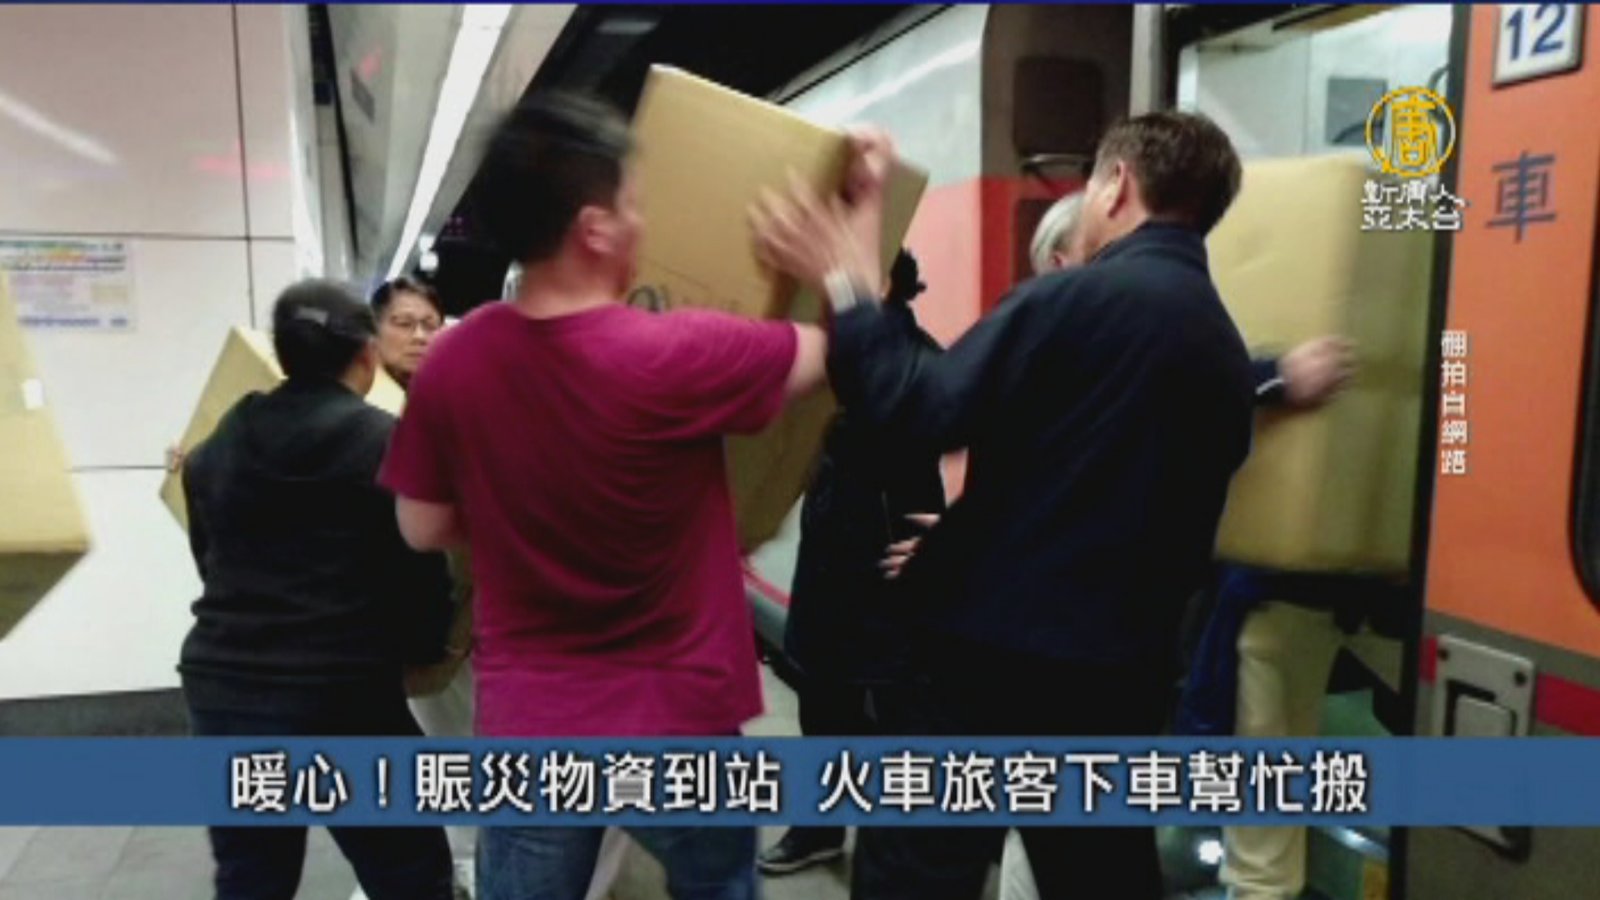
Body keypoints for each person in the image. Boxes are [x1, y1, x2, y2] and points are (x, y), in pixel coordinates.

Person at [754, 111, 1255, 900]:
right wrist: (976, 532)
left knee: (917, 875)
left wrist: (848, 287)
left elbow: (917, 407)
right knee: (1098, 878)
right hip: (1118, 679)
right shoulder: (1224, 350)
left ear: (1117, 185)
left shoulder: (1076, 299)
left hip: (982, 673)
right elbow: (1101, 492)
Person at [379, 93, 830, 900]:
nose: (642, 224)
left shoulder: (453, 362)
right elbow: (825, 354)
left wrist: (518, 504)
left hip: (534, 723)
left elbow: (420, 527)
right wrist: (832, 259)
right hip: (679, 718)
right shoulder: (683, 351)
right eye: (633, 206)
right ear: (594, 228)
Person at [996, 189, 1357, 900]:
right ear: (1063, 263)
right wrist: (1279, 376)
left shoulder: (1080, 327)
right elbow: (1167, 388)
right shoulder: (1059, 338)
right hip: (1070, 634)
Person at [178, 281, 455, 900]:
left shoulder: (219, 442)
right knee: (407, 869)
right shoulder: (383, 441)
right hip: (342, 689)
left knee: (252, 875)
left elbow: (208, 558)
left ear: (282, 353)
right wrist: (425, 648)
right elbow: (420, 569)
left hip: (225, 686)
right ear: (366, 353)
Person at [758, 248, 946, 877]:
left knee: (893, 704)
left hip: (892, 553)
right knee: (823, 696)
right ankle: (819, 828)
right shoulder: (839, 349)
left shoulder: (916, 358)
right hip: (835, 546)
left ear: (885, 283)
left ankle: (898, 847)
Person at [370, 276, 446, 388]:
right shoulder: (357, 395)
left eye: (430, 326)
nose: (420, 336)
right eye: (404, 323)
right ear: (374, 330)